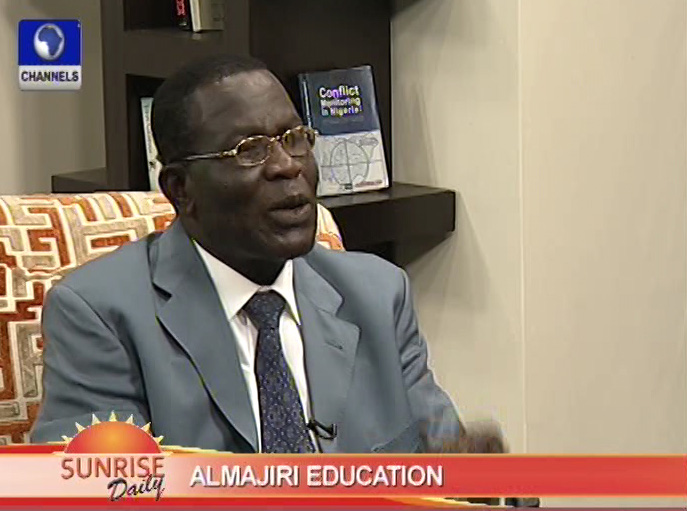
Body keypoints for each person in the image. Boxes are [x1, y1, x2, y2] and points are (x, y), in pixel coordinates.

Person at [30, 55, 493, 454]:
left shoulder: (378, 293)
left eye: (294, 138)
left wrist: (473, 477)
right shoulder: (101, 314)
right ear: (181, 189)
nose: (287, 167)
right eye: (249, 151)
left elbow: (441, 460)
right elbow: (96, 489)